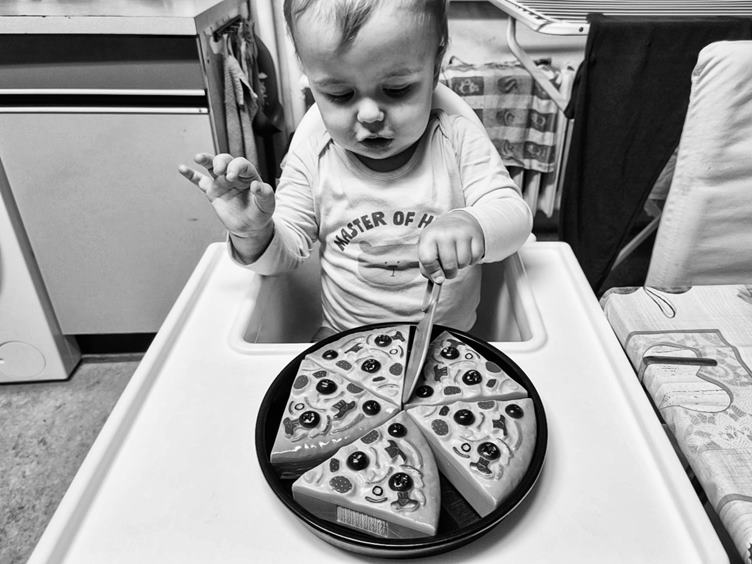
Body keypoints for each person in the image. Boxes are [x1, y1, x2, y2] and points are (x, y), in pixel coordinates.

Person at [179, 0, 532, 338]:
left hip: (445, 343)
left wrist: (473, 224)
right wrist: (253, 233)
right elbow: (284, 259)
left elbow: (515, 216)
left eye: (396, 90)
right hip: (344, 341)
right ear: (310, 77)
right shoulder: (314, 155)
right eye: (340, 94)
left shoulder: (456, 140)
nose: (369, 115)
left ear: (435, 67)